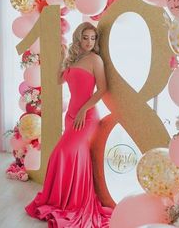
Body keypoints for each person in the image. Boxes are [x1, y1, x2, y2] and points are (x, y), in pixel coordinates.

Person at [25, 22, 113, 227]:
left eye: (93, 38)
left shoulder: (95, 60)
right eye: (86, 38)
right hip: (71, 116)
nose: (89, 42)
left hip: (87, 116)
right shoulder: (75, 58)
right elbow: (58, 80)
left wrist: (83, 109)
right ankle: (60, 199)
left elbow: (102, 89)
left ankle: (74, 200)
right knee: (62, 154)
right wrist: (63, 58)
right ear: (78, 38)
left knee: (65, 153)